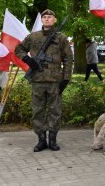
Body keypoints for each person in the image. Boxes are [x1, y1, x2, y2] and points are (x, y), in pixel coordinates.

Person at [15, 9, 73, 152]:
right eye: (44, 17)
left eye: (50, 17)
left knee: (55, 110)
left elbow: (68, 59)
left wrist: (66, 79)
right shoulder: (33, 37)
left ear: (55, 20)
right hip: (38, 80)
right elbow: (18, 49)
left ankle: (52, 140)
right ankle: (41, 140)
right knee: (38, 111)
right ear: (42, 20)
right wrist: (28, 60)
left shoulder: (61, 38)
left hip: (55, 81)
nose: (47, 19)